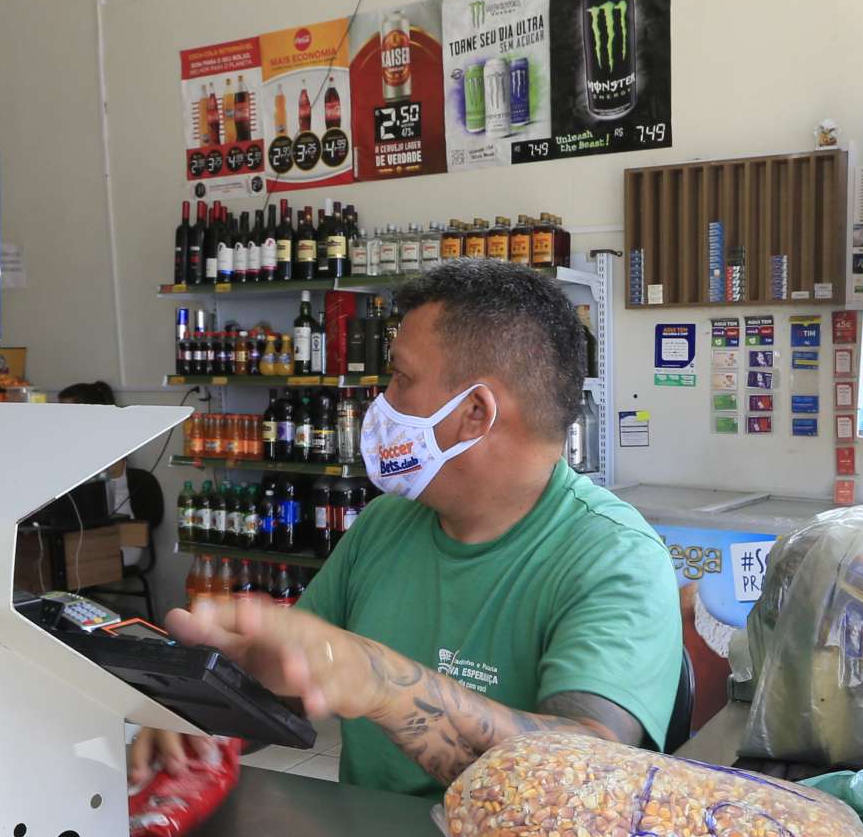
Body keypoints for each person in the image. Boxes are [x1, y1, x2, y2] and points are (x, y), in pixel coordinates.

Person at [130, 259, 679, 797]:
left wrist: (385, 684)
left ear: (474, 413)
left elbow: (588, 779)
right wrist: (209, 702)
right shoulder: (386, 522)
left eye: (400, 378)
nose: (381, 402)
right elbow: (304, 679)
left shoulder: (615, 557)